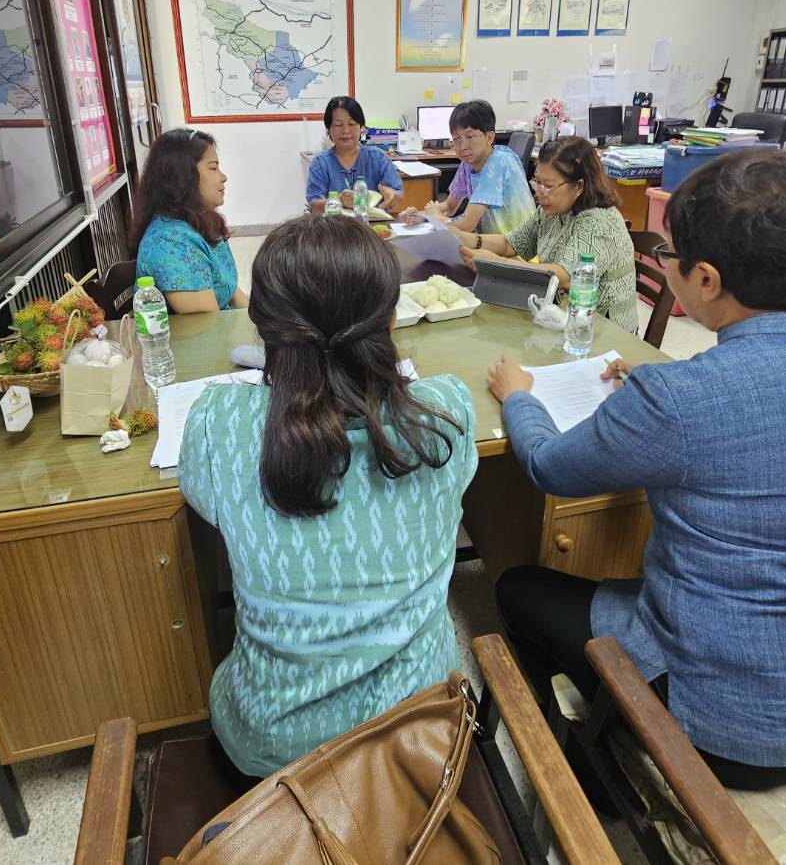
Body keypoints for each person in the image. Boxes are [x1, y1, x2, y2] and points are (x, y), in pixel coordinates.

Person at [486, 149, 786, 789]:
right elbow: (779, 410)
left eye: (670, 257)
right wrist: (675, 383)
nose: (667, 266)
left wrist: (519, 394)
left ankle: (593, 773)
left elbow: (549, 466)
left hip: (733, 730)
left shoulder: (678, 400)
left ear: (707, 280)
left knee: (517, 588)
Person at [178, 215, 478, 776]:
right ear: (391, 319)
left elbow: (206, 503)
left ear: (262, 326)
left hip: (272, 749)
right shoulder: (447, 415)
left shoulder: (218, 422)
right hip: (418, 738)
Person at [443, 135, 638, 334]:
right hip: (560, 314)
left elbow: (565, 277)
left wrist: (496, 264)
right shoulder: (552, 209)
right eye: (537, 183)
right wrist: (460, 237)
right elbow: (510, 243)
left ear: (579, 186)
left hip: (602, 330)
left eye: (548, 186)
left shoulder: (597, 220)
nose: (540, 193)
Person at [134, 129, 248, 313]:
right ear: (183, 175)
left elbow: (230, 287)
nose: (223, 177)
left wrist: (262, 324)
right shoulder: (171, 243)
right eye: (213, 167)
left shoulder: (202, 220)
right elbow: (207, 324)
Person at [402, 100, 533, 236]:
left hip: (517, 248)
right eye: (457, 139)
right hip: (491, 241)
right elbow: (449, 207)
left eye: (470, 137)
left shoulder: (498, 162)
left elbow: (466, 225)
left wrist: (436, 218)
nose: (463, 146)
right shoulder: (467, 164)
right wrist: (421, 215)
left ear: (489, 138)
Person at [305, 96, 403, 215]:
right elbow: (314, 205)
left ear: (361, 127)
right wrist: (338, 201)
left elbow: (397, 194)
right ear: (329, 129)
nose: (346, 130)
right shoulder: (321, 163)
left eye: (351, 124)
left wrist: (393, 197)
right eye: (338, 125)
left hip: (372, 227)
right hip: (334, 228)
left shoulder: (377, 157)